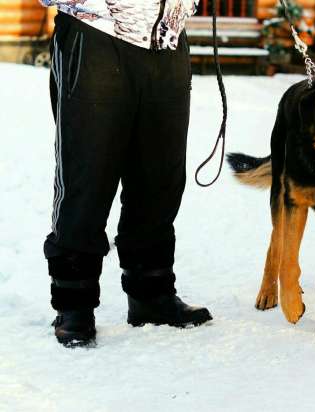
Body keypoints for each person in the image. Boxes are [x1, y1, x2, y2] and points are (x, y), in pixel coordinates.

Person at [38, 0, 212, 347]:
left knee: (160, 176)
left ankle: (151, 294)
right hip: (97, 32)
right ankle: (75, 305)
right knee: (87, 173)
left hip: (168, 38)